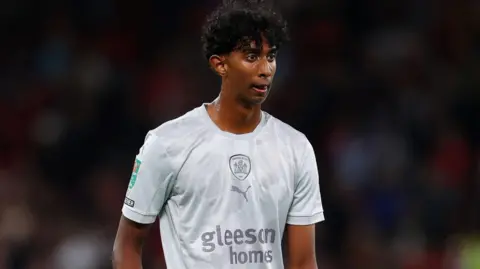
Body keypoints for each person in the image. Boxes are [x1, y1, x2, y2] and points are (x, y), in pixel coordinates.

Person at [112, 0, 325, 268]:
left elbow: (304, 261)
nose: (265, 69)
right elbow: (127, 246)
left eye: (270, 57)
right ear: (219, 64)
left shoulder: (296, 148)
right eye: (251, 56)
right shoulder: (167, 144)